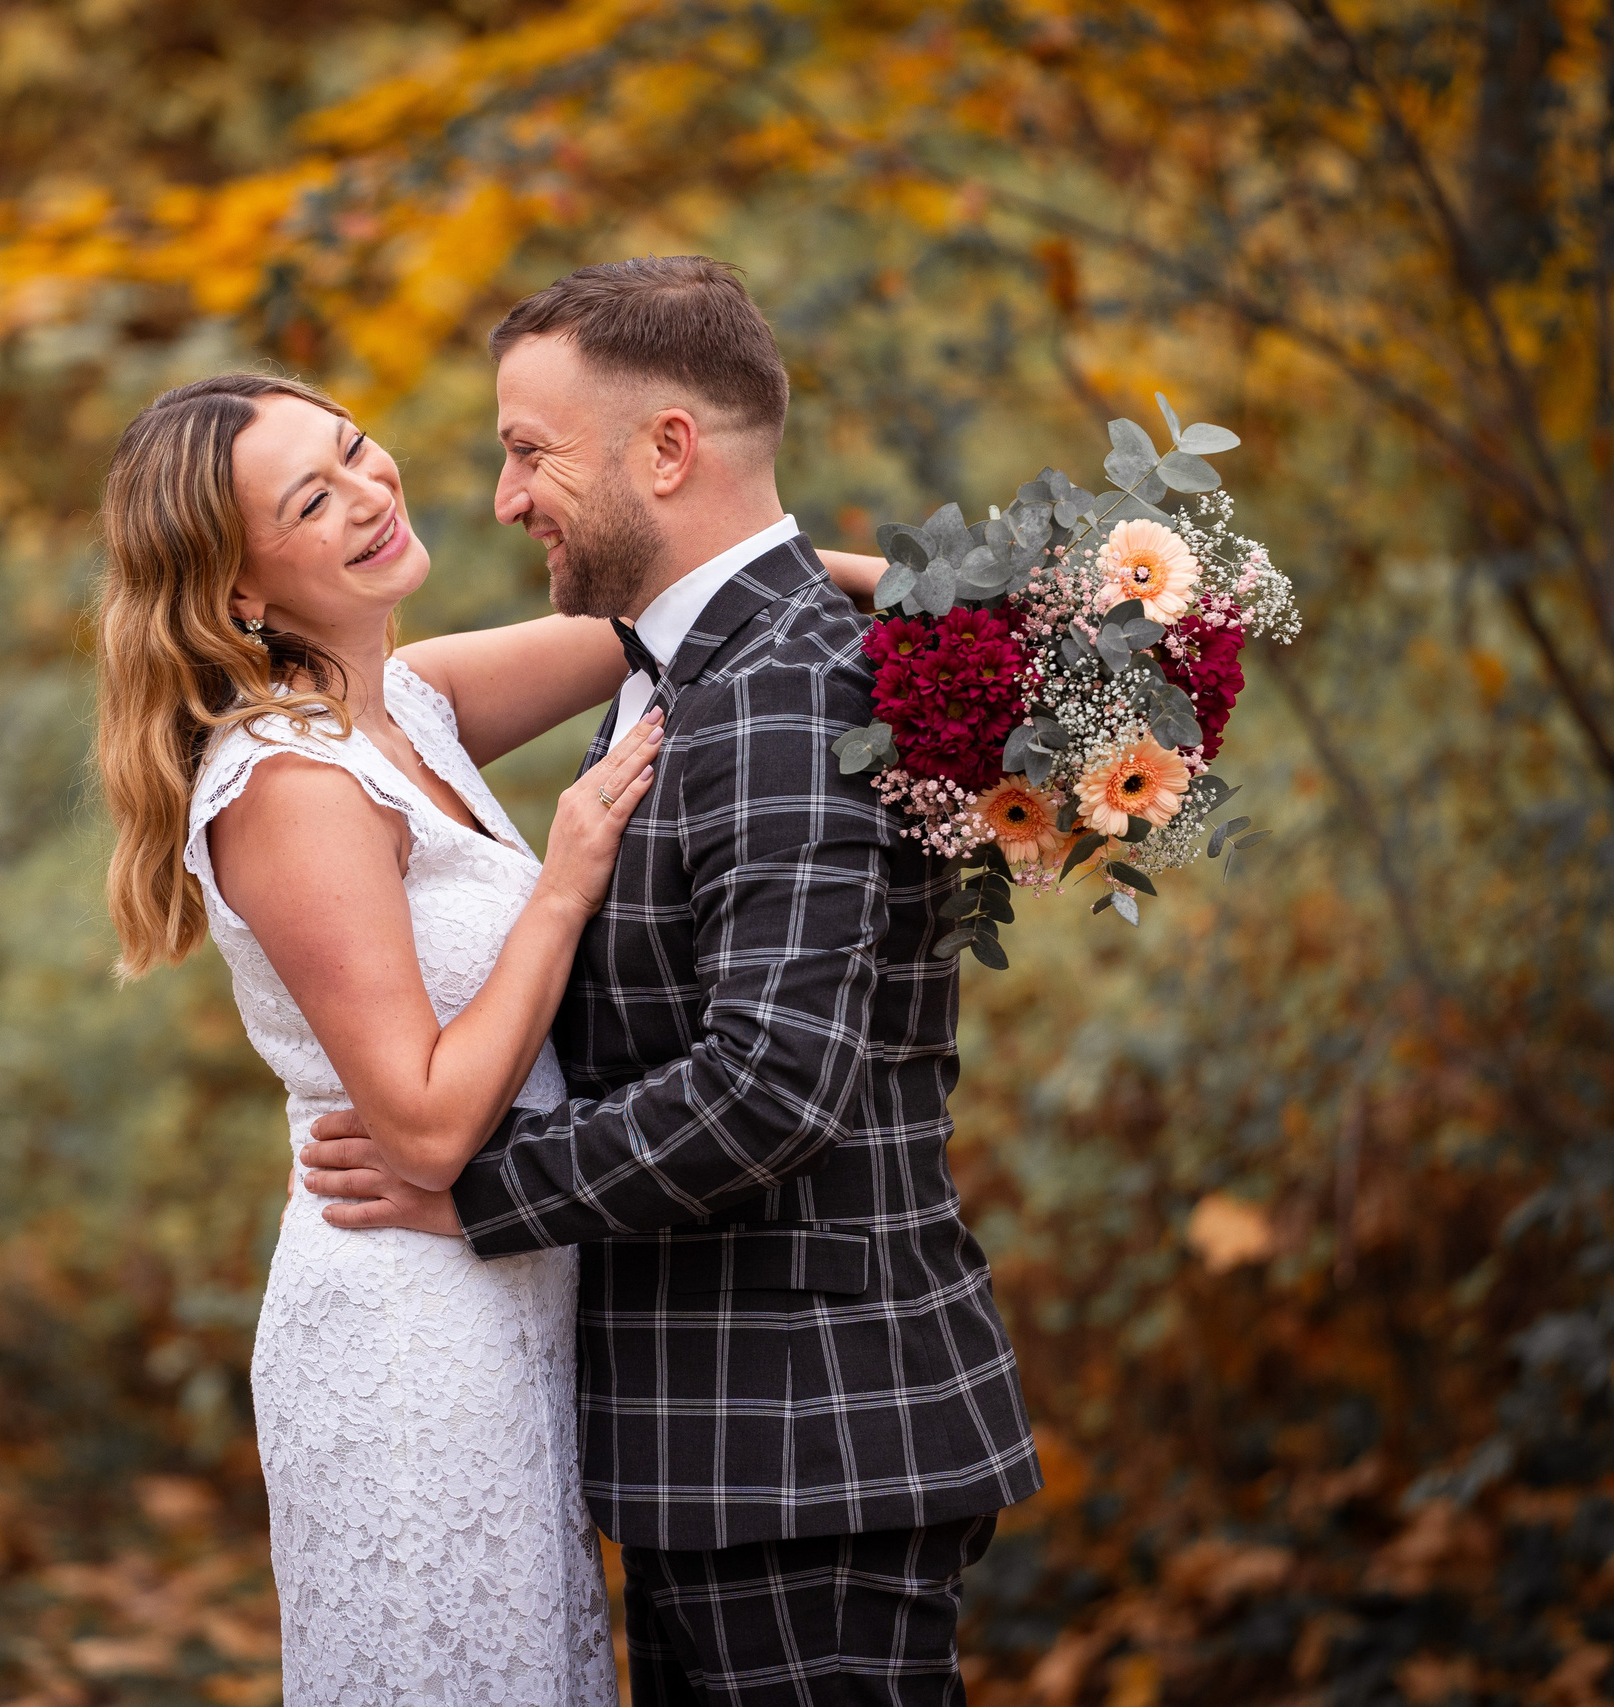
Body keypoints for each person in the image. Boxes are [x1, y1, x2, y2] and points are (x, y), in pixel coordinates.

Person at [300, 257, 1043, 1704]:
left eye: (529, 453)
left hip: (813, 1451)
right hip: (718, 1453)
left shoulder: (781, 691)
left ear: (668, 450)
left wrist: (476, 1193)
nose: (506, 498)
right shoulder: (695, 663)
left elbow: (772, 1087)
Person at [91, 365, 892, 1703]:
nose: (367, 491)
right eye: (311, 496)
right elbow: (421, 1121)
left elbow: (712, 603)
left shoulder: (410, 701)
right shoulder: (288, 783)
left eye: (356, 451)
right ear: (239, 588)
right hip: (411, 1329)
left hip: (517, 1298)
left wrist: (971, 598)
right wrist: (567, 879)